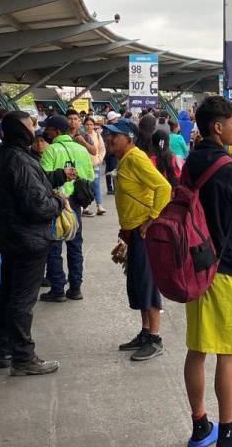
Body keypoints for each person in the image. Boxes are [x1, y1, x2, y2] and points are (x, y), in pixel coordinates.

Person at [182, 96, 232, 447]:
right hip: (226, 268)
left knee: (197, 348)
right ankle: (228, 433)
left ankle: (201, 425)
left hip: (193, 267)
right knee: (227, 352)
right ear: (218, 126)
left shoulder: (191, 163)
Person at [0, 112, 66, 376]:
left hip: (7, 235)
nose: (36, 130)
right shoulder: (20, 158)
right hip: (28, 238)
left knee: (7, 293)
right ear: (21, 129)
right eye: (32, 125)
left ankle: (5, 350)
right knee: (22, 298)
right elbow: (37, 205)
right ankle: (24, 357)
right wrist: (58, 203)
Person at [103, 118, 172, 362]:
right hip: (133, 232)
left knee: (147, 283)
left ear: (128, 138)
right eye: (108, 134)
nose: (109, 139)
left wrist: (150, 220)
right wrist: (126, 227)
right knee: (137, 284)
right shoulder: (125, 159)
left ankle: (155, 338)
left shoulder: (135, 158)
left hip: (145, 235)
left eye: (115, 135)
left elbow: (163, 188)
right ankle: (145, 333)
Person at [39, 114, 93, 303]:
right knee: (75, 245)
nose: (46, 131)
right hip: (76, 203)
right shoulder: (81, 150)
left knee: (54, 245)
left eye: (48, 128)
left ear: (56, 131)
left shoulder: (50, 150)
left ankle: (57, 288)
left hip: (57, 203)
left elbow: (44, 179)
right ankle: (76, 287)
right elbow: (89, 177)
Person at [83, 116, 108, 216]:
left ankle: (99, 206)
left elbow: (102, 149)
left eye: (91, 124)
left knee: (96, 184)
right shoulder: (81, 136)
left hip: (95, 165)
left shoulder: (97, 136)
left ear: (94, 126)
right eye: (87, 124)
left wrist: (100, 159)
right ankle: (85, 206)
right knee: (85, 186)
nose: (89, 126)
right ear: (84, 125)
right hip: (83, 166)